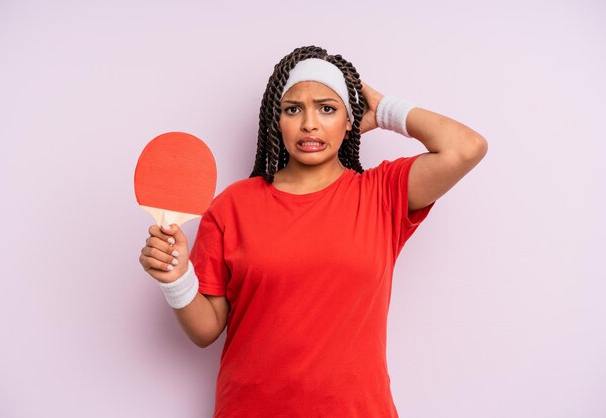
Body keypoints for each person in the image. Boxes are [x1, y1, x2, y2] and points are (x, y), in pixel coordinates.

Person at [139, 45, 488, 417]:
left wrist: (386, 109)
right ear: (277, 120)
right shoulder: (232, 205)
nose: (310, 124)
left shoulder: (381, 193)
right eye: (294, 109)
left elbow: (466, 148)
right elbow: (205, 331)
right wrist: (176, 280)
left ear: (350, 119)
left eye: (327, 108)